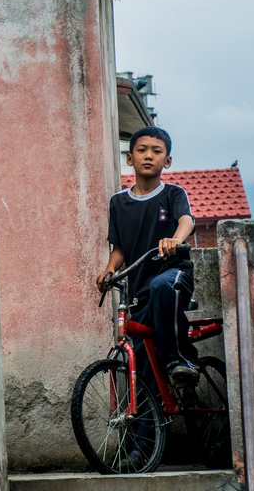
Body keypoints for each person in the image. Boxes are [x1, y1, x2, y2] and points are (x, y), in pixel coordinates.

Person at [96, 126, 199, 387]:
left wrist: (176, 240)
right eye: (141, 150)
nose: (148, 156)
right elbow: (119, 247)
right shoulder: (118, 202)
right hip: (139, 290)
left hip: (174, 275)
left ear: (168, 161)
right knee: (143, 373)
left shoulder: (173, 194)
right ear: (130, 158)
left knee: (161, 284)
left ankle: (182, 359)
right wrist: (110, 271)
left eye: (157, 151)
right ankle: (144, 426)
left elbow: (187, 220)